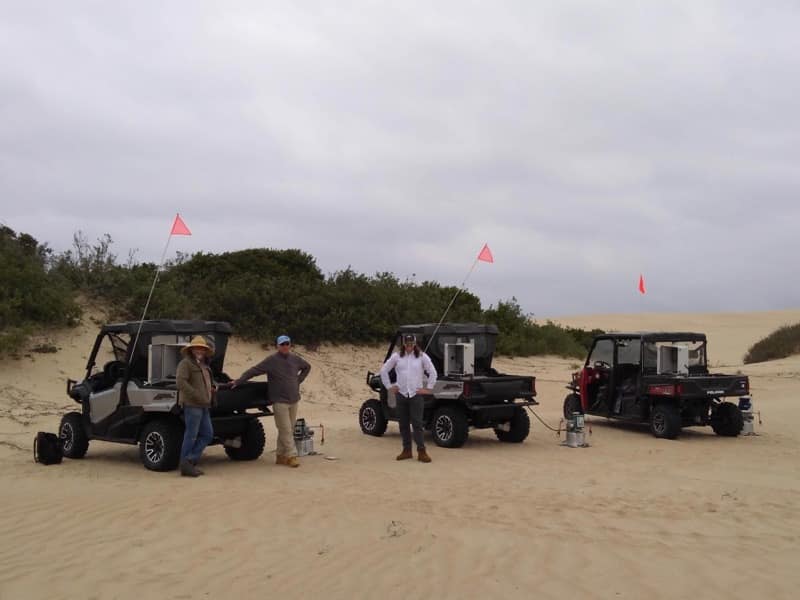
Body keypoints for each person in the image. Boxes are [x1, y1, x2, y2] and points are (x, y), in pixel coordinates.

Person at [232, 334, 311, 468]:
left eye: (287, 344)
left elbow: (307, 367)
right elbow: (254, 371)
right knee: (285, 429)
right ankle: (291, 456)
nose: (285, 346)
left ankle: (280, 456)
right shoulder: (271, 360)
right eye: (282, 344)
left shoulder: (295, 359)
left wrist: (299, 380)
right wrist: (239, 381)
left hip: (294, 399)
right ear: (277, 346)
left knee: (288, 429)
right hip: (279, 400)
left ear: (290, 345)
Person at [379, 333, 437, 463]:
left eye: (411, 344)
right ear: (403, 344)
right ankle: (406, 450)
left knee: (417, 424)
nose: (409, 346)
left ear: (414, 344)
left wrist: (428, 388)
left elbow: (433, 372)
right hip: (401, 394)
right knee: (403, 424)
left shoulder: (422, 356)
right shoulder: (396, 357)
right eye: (407, 344)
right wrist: (389, 386)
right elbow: (384, 370)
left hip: (416, 395)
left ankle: (421, 451)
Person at [176, 335, 215, 477]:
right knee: (191, 435)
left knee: (208, 434)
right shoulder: (185, 364)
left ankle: (189, 461)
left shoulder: (204, 365)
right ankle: (186, 464)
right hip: (193, 405)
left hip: (204, 405)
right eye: (197, 348)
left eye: (202, 348)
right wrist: (196, 394)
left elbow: (207, 381)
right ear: (191, 349)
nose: (199, 350)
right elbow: (180, 382)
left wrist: (213, 387)